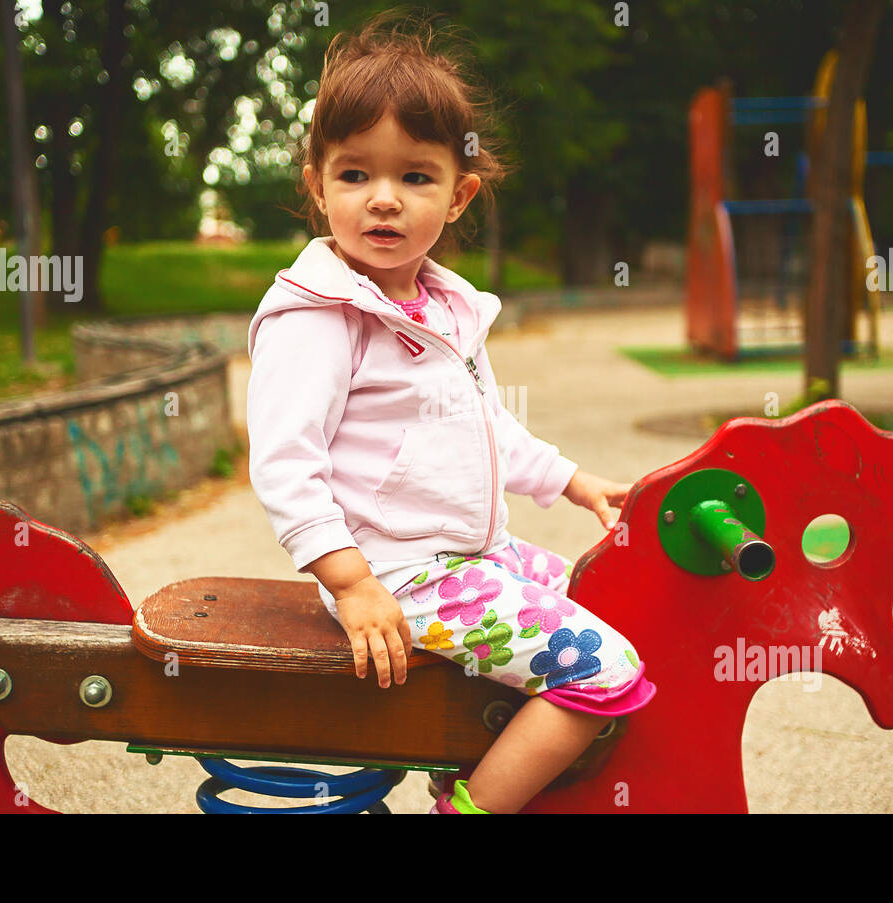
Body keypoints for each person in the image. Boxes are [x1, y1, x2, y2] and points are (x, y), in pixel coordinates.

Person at [246, 12, 655, 815]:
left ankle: (455, 754)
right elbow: (286, 464)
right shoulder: (320, 316)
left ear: (460, 193)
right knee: (606, 666)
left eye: (416, 177)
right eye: (355, 175)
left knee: (590, 590)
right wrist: (353, 583)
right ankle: (467, 808)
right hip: (400, 575)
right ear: (316, 184)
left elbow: (483, 423)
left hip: (466, 554)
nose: (384, 201)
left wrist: (571, 479)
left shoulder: (440, 307)